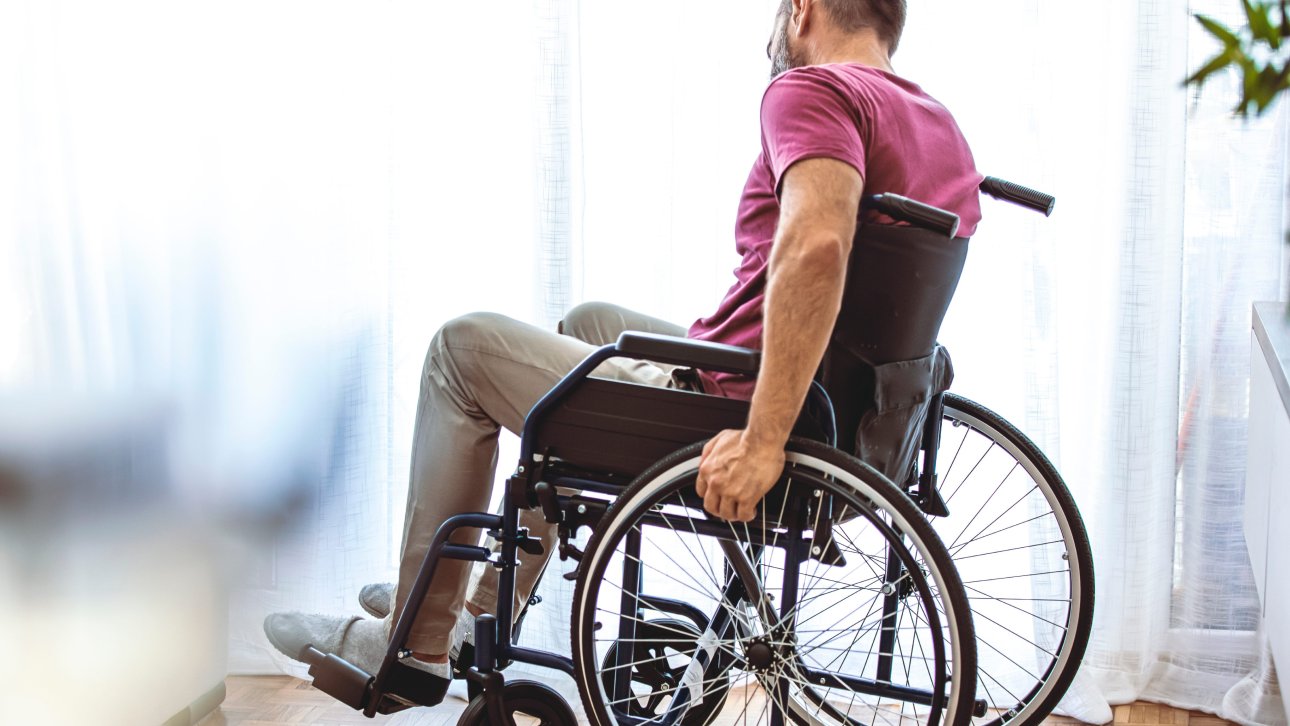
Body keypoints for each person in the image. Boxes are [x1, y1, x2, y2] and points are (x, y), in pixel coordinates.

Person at [263, 0, 983, 708]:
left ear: (803, 8)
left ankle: (412, 643)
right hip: (849, 418)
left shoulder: (814, 91)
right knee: (589, 322)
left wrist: (763, 441)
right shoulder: (938, 125)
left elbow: (818, 245)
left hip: (743, 409)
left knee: (460, 348)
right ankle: (479, 609)